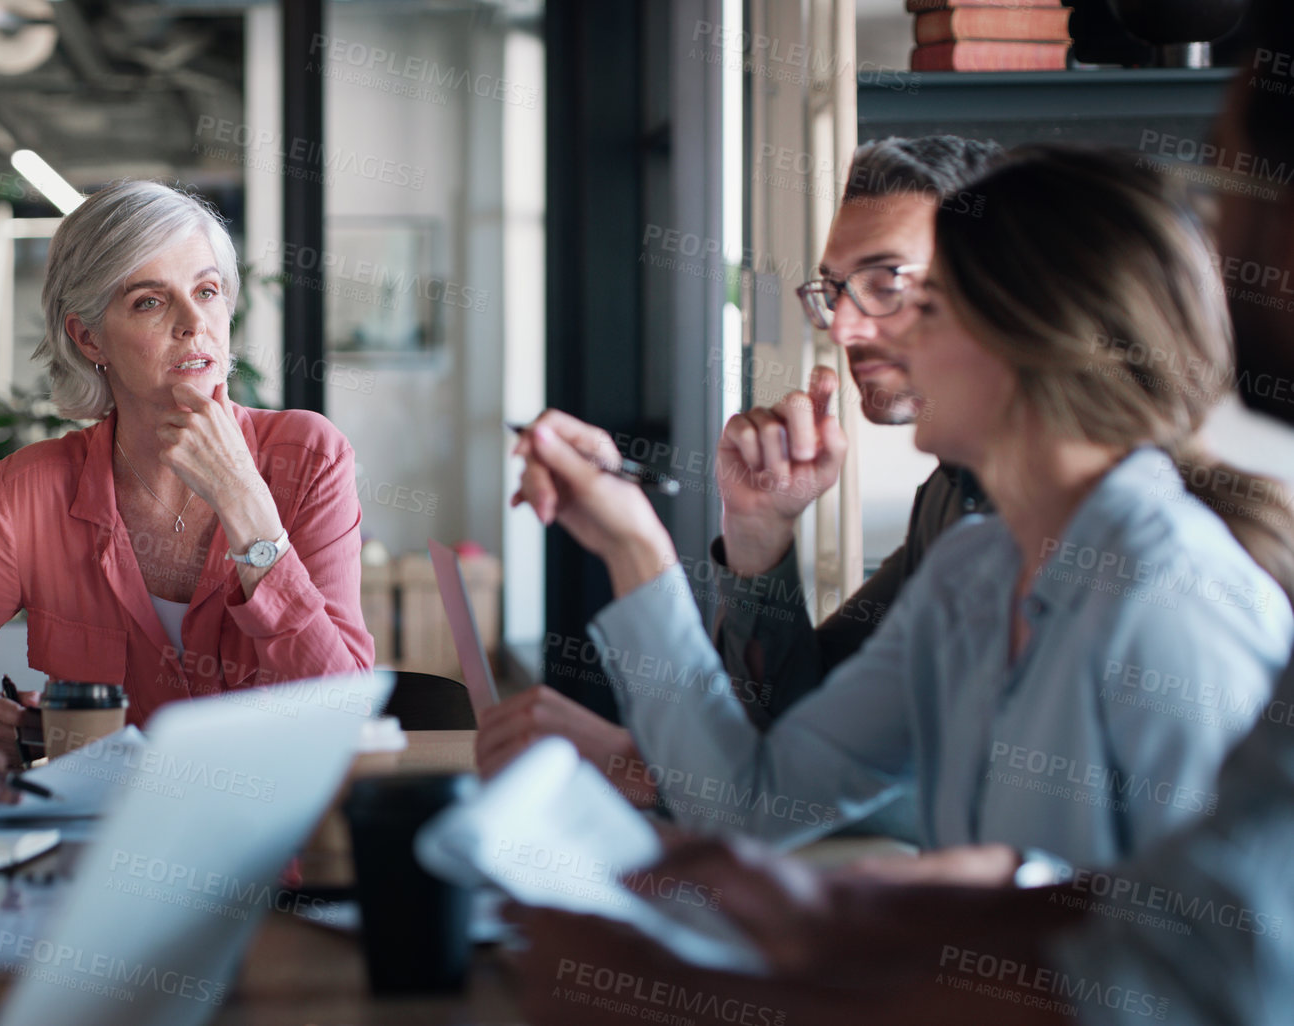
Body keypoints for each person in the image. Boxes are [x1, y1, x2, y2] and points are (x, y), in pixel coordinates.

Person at [513, 4, 1294, 1022]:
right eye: (838, 292)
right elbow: (754, 801)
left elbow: (1219, 977)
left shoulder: (1175, 599)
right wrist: (629, 540)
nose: (858, 334)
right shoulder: (973, 565)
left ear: (1033, 334)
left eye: (917, 301)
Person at [475, 136, 1004, 796]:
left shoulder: (1076, 533)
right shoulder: (951, 498)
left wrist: (632, 546)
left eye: (885, 282)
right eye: (833, 291)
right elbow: (796, 733)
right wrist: (758, 537)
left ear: (1007, 286)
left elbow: (797, 797)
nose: (839, 329)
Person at [0, 180, 375, 753]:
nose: (193, 323)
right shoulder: (29, 493)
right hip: (96, 837)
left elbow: (343, 713)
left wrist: (245, 501)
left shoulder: (310, 457)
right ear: (88, 337)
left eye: (207, 290)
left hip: (270, 832)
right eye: (149, 301)